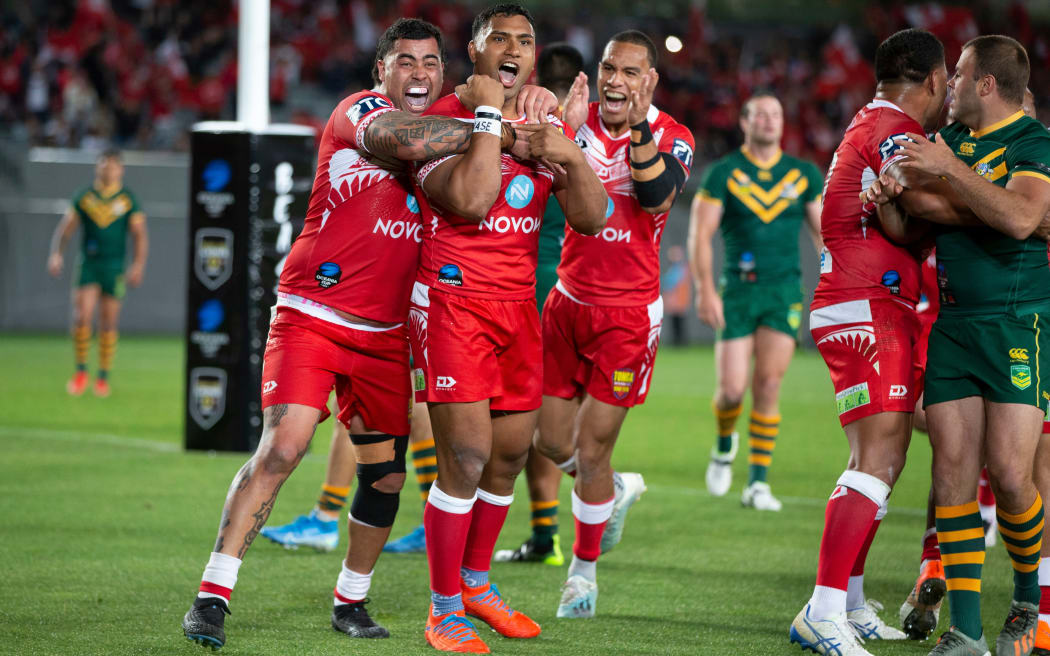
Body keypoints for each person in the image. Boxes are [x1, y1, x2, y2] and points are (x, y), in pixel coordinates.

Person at [180, 18, 528, 650]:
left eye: (430, 62)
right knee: (284, 446)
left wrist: (524, 109)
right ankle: (213, 591)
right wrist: (494, 124)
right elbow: (404, 137)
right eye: (404, 61)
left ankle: (351, 600)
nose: (419, 72)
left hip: (389, 334)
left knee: (386, 475)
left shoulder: (465, 135)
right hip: (315, 314)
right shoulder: (359, 113)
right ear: (381, 72)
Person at [408, 4, 606, 651]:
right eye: (502, 38)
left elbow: (591, 219)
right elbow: (470, 200)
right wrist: (493, 120)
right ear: (475, 50)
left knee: (510, 456)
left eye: (526, 39)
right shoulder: (440, 120)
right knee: (463, 459)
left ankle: (475, 582)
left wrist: (569, 151)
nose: (516, 48)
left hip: (521, 309)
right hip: (455, 305)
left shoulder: (544, 122)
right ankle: (442, 610)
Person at [865, 35, 1050, 656]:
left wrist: (952, 179)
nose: (949, 86)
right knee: (951, 475)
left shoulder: (1032, 142)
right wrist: (897, 201)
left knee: (1013, 475)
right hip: (954, 323)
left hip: (1018, 323)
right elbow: (915, 208)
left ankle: (1028, 595)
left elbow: (1025, 220)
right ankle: (966, 632)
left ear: (988, 85)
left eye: (960, 75)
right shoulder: (949, 144)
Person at [787, 28, 948, 655]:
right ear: (934, 82)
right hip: (866, 304)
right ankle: (821, 611)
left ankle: (849, 603)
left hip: (868, 301)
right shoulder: (896, 133)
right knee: (877, 460)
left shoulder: (872, 120)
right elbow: (928, 210)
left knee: (883, 458)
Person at [532, 28, 693, 619]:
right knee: (551, 442)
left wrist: (644, 125)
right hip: (566, 302)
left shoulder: (674, 134)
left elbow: (655, 198)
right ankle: (613, 490)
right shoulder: (577, 121)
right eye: (609, 69)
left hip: (628, 317)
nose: (615, 81)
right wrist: (561, 132)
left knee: (592, 449)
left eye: (630, 72)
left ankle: (582, 576)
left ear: (649, 79)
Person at [689, 93, 823, 510]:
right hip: (739, 291)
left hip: (784, 290)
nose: (769, 120)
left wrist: (838, 284)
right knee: (731, 390)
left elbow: (823, 237)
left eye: (776, 114)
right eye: (760, 114)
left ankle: (758, 483)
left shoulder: (803, 174)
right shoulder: (723, 173)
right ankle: (725, 442)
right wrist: (706, 289)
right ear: (744, 123)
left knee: (768, 384)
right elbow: (700, 235)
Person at [494, 42, 585, 567]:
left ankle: (592, 490)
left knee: (502, 419)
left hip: (512, 286)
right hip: (562, 288)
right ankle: (547, 534)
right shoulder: (572, 135)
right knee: (533, 415)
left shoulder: (521, 130)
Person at [47, 148, 148, 398]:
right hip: (89, 264)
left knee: (109, 321)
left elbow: (139, 235)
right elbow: (66, 228)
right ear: (97, 167)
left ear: (120, 169)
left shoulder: (127, 200)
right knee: (82, 315)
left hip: (114, 267)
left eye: (113, 165)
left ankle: (103, 377)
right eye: (104, 165)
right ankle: (81, 371)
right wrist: (57, 253)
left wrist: (137, 265)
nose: (108, 169)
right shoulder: (86, 197)